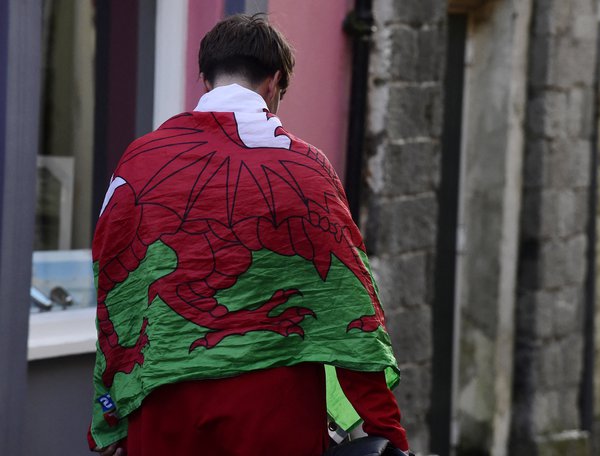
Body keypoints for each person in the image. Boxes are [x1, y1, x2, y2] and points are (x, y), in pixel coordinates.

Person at [88, 14, 409, 456]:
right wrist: (387, 432)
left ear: (204, 80)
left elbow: (114, 291)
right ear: (275, 82)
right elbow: (348, 306)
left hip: (163, 406)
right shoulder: (307, 170)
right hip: (275, 406)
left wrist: (108, 416)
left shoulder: (140, 163)